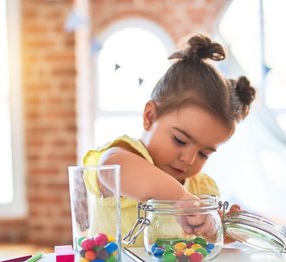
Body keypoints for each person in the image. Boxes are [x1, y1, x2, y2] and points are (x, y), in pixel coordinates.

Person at [83, 33, 256, 247]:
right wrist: (181, 199)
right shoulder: (127, 157)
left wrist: (218, 229)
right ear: (150, 117)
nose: (189, 159)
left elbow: (208, 239)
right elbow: (112, 168)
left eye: (204, 153)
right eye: (180, 140)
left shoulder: (201, 189)